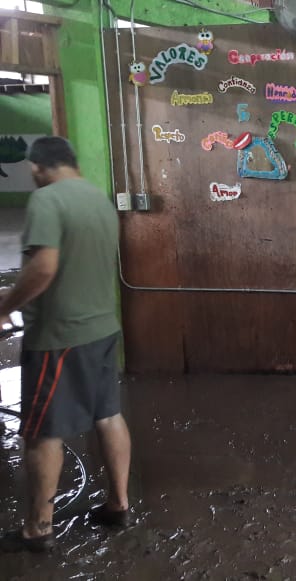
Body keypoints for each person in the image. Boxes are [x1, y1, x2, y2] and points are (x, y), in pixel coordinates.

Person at [0, 137, 130, 553]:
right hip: (102, 328)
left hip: (59, 337)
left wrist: (5, 306)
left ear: (38, 168)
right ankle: (118, 504)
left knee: (42, 431)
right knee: (108, 415)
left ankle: (38, 528)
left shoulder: (47, 200)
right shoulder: (99, 199)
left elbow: (44, 267)